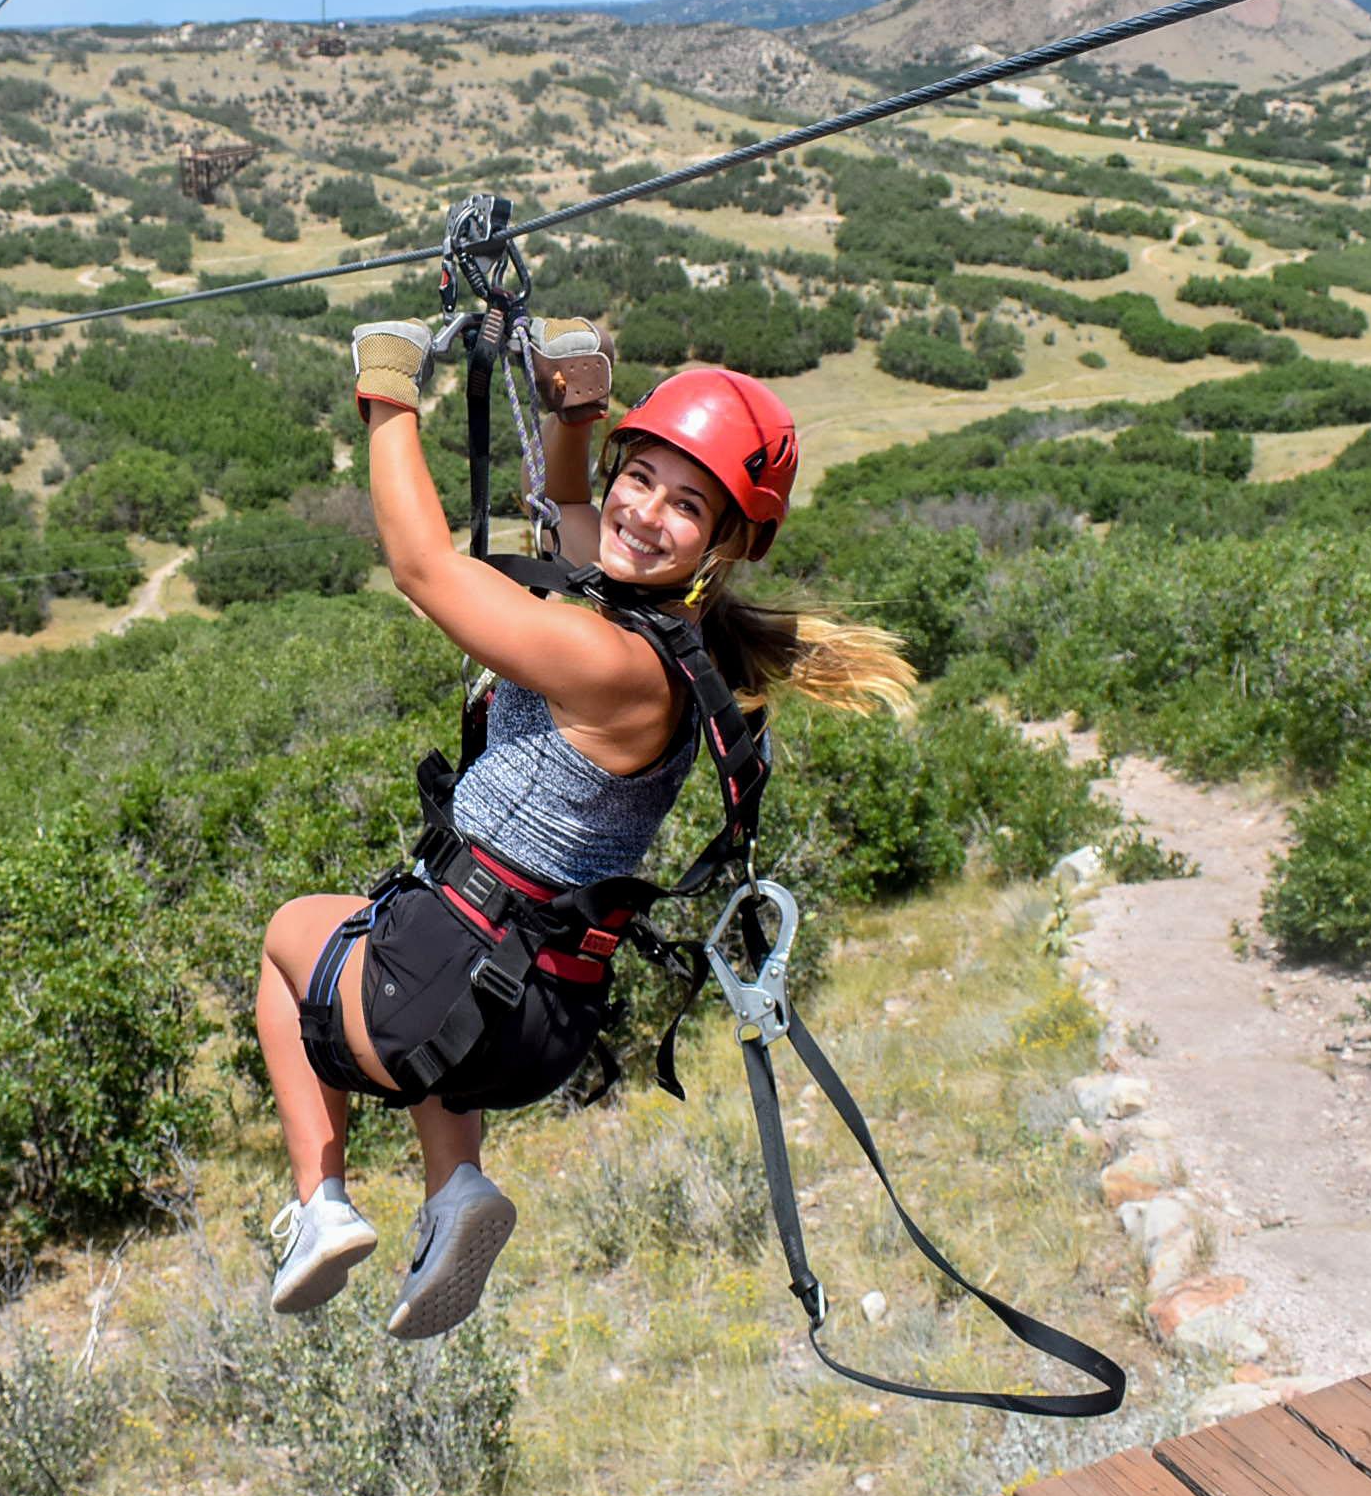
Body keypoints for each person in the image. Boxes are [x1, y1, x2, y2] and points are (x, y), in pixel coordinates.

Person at [251, 317, 915, 1339]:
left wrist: (387, 389)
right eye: (638, 478)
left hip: (446, 980)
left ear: (724, 541)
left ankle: (320, 1203)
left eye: (684, 504)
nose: (644, 513)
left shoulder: (608, 660)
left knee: (293, 933)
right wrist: (577, 408)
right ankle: (454, 1187)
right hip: (535, 1011)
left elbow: (424, 567)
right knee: (422, 944)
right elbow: (569, 508)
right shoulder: (669, 634)